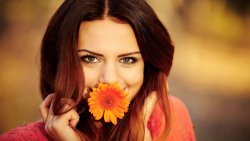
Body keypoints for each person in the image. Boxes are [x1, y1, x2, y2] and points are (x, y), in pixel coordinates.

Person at [0, 0, 195, 140]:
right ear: (61, 63)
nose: (109, 79)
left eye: (128, 59)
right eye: (90, 58)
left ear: (148, 66)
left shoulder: (169, 117)